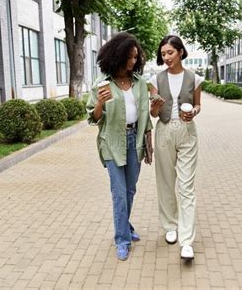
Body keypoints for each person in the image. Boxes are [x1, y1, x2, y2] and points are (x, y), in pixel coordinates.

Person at [86, 32, 153, 261]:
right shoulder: (102, 84)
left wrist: (148, 141)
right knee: (119, 194)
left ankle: (126, 226)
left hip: (134, 141)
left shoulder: (140, 83)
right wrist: (99, 104)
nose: (132, 61)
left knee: (130, 190)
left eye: (136, 57)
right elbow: (94, 119)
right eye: (129, 56)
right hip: (112, 142)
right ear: (117, 55)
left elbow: (145, 113)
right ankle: (122, 239)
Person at [149, 35, 203, 260]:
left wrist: (194, 112)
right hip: (163, 131)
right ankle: (170, 226)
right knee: (165, 182)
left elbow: (199, 105)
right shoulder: (154, 80)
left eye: (170, 52)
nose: (166, 57)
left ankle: (187, 240)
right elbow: (152, 114)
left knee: (186, 186)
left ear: (181, 51)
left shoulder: (195, 78)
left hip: (187, 132)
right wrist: (154, 107)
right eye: (163, 54)